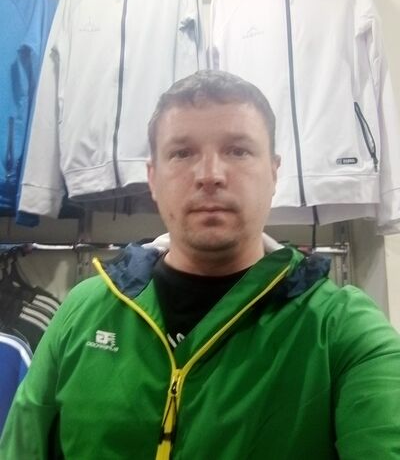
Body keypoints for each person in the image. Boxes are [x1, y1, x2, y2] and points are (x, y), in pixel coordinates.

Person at [1, 70, 400, 459]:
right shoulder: (83, 310)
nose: (210, 175)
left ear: (273, 173)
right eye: (182, 153)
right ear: (153, 178)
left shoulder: (342, 329)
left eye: (238, 150)